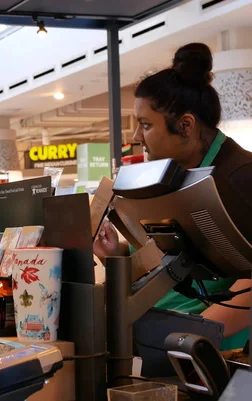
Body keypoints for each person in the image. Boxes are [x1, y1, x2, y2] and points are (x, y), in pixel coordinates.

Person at [95, 43, 252, 350]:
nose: (137, 137)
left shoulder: (241, 176)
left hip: (213, 352)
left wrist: (191, 339)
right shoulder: (178, 174)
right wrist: (119, 254)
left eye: (145, 125)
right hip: (168, 331)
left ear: (186, 125)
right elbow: (185, 253)